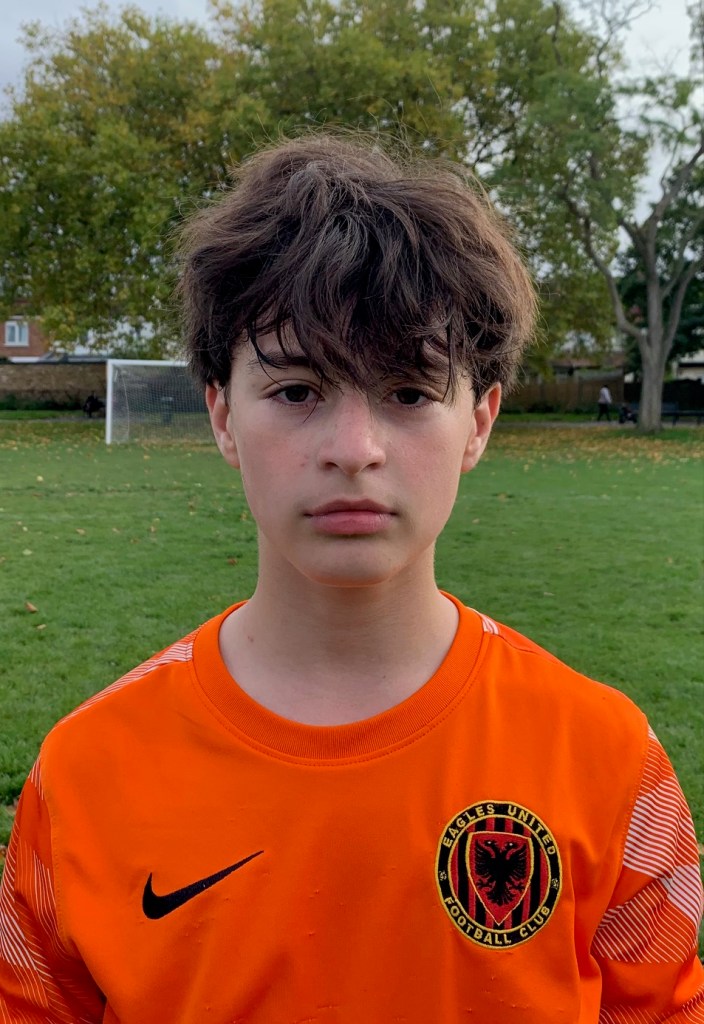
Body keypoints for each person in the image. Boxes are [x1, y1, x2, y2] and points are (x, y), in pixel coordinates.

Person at [1, 134, 702, 1024]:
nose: (354, 449)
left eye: (408, 393)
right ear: (222, 416)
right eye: (297, 390)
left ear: (479, 422)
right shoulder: (85, 774)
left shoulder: (608, 760)